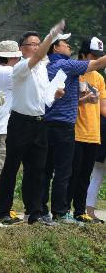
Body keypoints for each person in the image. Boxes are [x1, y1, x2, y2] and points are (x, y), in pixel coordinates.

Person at [0, 23, 65, 226]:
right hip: (20, 123)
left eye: (38, 43)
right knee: (11, 168)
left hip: (39, 123)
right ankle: (2, 212)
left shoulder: (42, 68)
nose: (36, 47)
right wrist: (51, 36)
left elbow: (42, 97)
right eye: (32, 44)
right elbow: (35, 59)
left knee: (37, 171)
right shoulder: (20, 67)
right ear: (22, 48)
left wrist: (55, 94)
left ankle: (34, 213)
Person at [41, 31, 106, 224]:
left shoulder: (46, 66)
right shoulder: (68, 67)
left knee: (68, 174)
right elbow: (96, 65)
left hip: (76, 129)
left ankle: (63, 211)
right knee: (65, 172)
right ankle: (61, 211)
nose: (69, 46)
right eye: (65, 43)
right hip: (69, 129)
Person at [68, 37, 106, 223]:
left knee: (85, 175)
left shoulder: (99, 78)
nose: (97, 60)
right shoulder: (75, 73)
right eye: (94, 56)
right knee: (72, 174)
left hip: (93, 133)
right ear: (83, 54)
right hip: (76, 132)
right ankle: (64, 210)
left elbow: (103, 108)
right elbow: (65, 102)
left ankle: (80, 211)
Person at [0, 41, 21, 223]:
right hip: (0, 131)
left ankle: (5, 210)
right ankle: (2, 211)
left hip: (3, 129)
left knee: (4, 171)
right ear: (13, 57)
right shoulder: (5, 72)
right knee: (0, 172)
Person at [86, 115, 106, 223]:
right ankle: (89, 212)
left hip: (98, 134)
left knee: (96, 177)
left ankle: (89, 211)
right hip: (101, 135)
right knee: (97, 176)